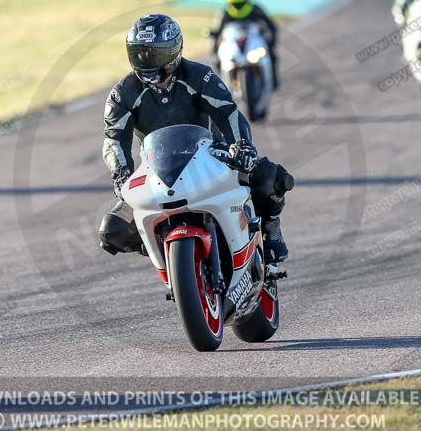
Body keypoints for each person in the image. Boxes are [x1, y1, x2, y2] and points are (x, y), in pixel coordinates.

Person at [99, 13, 293, 263]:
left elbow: (229, 112)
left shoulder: (200, 76)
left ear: (173, 51)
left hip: (212, 156)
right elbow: (113, 139)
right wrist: (121, 175)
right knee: (112, 229)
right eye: (139, 53)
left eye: (154, 53)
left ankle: (270, 228)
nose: (146, 60)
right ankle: (164, 247)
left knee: (269, 176)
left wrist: (242, 147)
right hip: (157, 170)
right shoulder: (122, 94)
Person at [209, 0, 280, 90]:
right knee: (217, 60)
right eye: (236, 4)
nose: (239, 6)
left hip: (254, 43)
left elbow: (272, 26)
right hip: (234, 45)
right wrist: (214, 51)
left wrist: (271, 43)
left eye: (241, 3)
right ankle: (221, 86)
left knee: (271, 55)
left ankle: (273, 79)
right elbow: (216, 31)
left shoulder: (256, 9)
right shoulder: (225, 13)